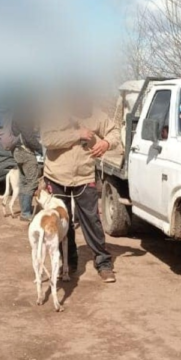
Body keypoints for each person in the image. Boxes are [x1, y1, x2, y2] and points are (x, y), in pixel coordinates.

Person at [41, 95, 120, 283]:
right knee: (62, 222)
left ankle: (103, 263)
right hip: (57, 176)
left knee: (92, 220)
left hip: (84, 177)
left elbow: (115, 131)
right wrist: (77, 135)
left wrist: (106, 143)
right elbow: (47, 139)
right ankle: (67, 263)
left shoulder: (96, 115)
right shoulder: (54, 114)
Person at [7, 105, 43, 221]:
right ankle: (26, 212)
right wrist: (41, 150)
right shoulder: (25, 115)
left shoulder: (16, 112)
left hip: (17, 151)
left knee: (23, 182)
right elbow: (29, 138)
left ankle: (24, 210)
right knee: (32, 182)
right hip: (25, 152)